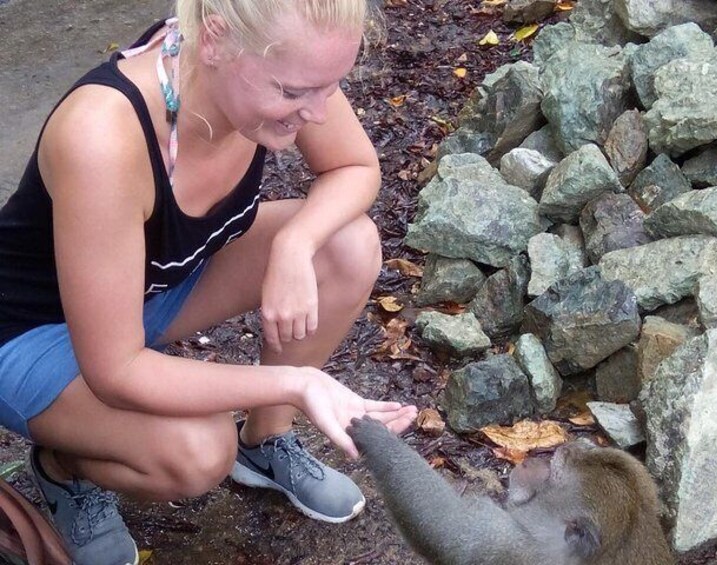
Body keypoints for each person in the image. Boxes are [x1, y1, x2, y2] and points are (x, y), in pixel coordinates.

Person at [0, 1, 418, 564]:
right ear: (215, 40)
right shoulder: (102, 137)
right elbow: (116, 370)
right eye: (294, 92)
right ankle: (64, 469)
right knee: (197, 451)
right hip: (30, 332)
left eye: (332, 85)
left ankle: (267, 442)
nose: (317, 113)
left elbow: (354, 167)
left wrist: (296, 245)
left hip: (147, 292)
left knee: (347, 244)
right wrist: (295, 383)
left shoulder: (287, 59)